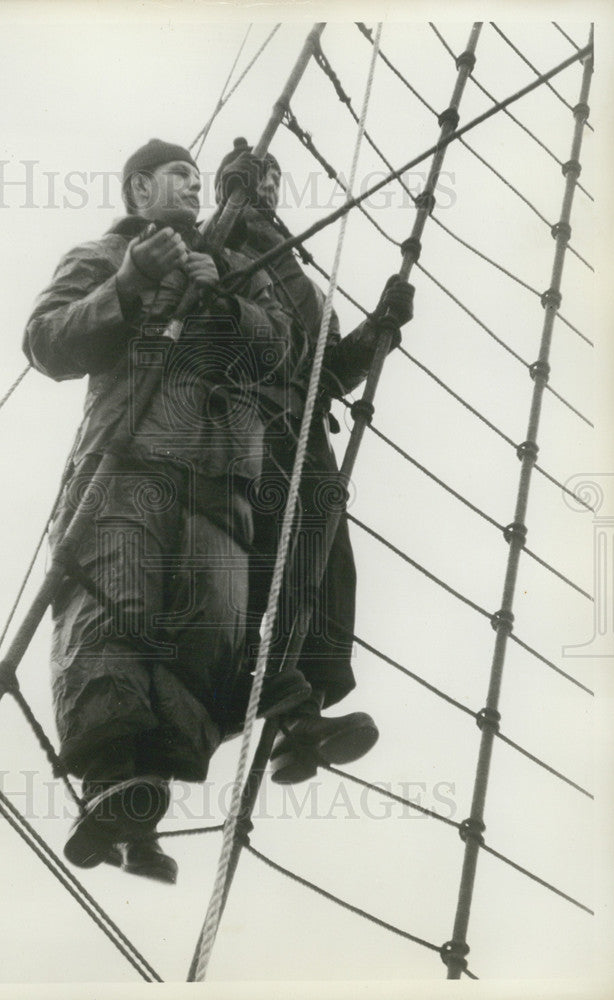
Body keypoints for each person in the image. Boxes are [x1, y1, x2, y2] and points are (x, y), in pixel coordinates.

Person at [23, 139, 309, 883]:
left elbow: (284, 352)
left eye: (194, 174)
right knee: (111, 610)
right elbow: (48, 342)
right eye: (176, 175)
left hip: (220, 485)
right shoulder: (107, 251)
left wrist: (227, 299)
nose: (191, 183)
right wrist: (126, 283)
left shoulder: (228, 264)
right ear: (139, 190)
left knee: (200, 641)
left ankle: (136, 815)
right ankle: (110, 784)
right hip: (134, 463)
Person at [214, 138, 415, 784]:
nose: (267, 189)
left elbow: (329, 372)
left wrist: (379, 330)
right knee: (293, 535)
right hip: (252, 408)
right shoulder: (225, 240)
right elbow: (202, 274)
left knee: (332, 566)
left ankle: (302, 720)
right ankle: (281, 687)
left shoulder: (298, 275)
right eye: (253, 180)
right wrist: (233, 204)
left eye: (273, 180)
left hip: (303, 420)